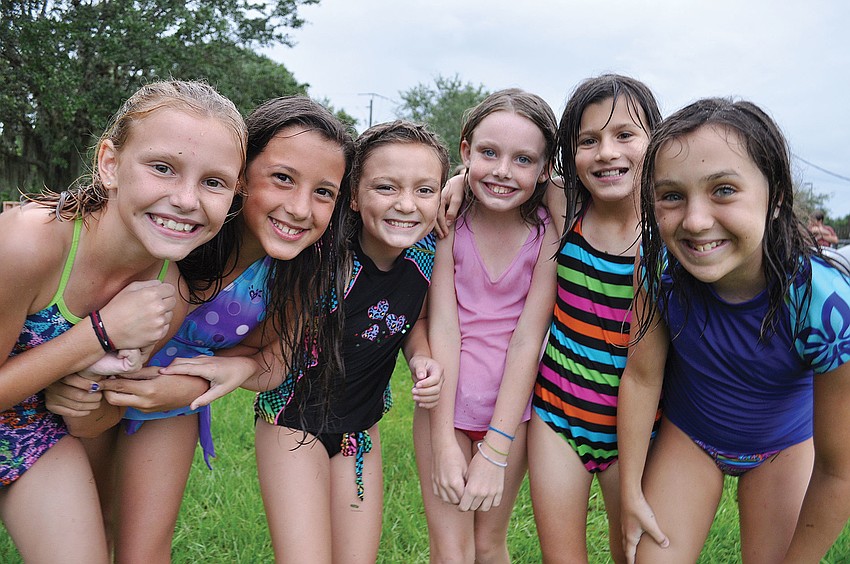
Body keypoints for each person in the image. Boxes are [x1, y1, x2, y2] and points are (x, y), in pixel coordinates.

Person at [47, 96, 354, 562]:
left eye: (323, 192)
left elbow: (272, 361)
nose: (299, 207)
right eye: (283, 179)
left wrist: (196, 383)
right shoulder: (179, 229)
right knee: (88, 530)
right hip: (86, 383)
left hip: (168, 405)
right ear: (239, 175)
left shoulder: (299, 272)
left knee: (143, 549)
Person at [0, 79, 245, 563]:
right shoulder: (31, 243)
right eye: (162, 168)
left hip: (29, 430)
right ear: (110, 164)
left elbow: (102, 421)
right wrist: (99, 333)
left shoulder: (167, 289)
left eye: (213, 182)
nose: (186, 199)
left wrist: (87, 402)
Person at [618, 98, 850, 563]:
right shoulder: (661, 268)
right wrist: (630, 491)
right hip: (689, 440)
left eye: (723, 190)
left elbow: (838, 470)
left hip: (783, 451)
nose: (696, 221)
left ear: (776, 194)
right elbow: (642, 378)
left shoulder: (824, 304)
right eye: (671, 195)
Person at [253, 120, 449, 563]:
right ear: (354, 196)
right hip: (291, 420)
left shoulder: (424, 257)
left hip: (360, 434)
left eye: (425, 190)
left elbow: (413, 317)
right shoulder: (322, 259)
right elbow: (269, 344)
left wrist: (421, 356)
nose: (406, 204)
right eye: (386, 187)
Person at [523, 75, 663, 564]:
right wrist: (457, 181)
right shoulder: (567, 206)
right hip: (557, 417)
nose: (606, 152)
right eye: (588, 140)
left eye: (625, 135)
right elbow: (510, 177)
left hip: (639, 434)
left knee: (632, 553)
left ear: (655, 142)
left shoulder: (665, 240)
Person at [418, 89, 559, 563]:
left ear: (544, 170)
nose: (502, 170)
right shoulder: (447, 221)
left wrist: (496, 451)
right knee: (452, 549)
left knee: (487, 544)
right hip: (444, 409)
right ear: (465, 150)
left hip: (512, 415)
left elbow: (526, 341)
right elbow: (444, 327)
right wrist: (443, 441)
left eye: (523, 159)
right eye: (488, 153)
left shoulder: (548, 232)